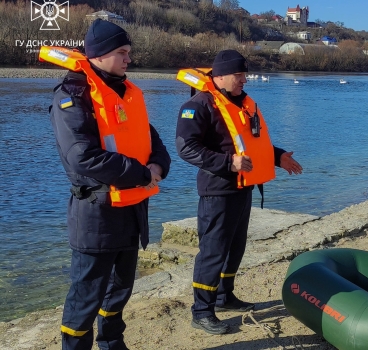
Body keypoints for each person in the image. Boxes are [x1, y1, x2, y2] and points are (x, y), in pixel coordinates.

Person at [43, 19, 171, 349]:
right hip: (96, 213)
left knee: (119, 290)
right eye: (122, 52)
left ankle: (113, 344)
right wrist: (143, 173)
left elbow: (151, 137)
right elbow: (81, 158)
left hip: (132, 211)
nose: (129, 59)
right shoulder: (72, 96)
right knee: (85, 298)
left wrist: (158, 164)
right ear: (99, 55)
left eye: (129, 52)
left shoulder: (126, 93)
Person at [175, 50, 303, 335]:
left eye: (245, 74)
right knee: (213, 252)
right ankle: (202, 311)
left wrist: (277, 156)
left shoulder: (242, 104)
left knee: (235, 249)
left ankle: (224, 297)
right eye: (239, 75)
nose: (245, 80)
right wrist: (227, 163)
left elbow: (252, 144)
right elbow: (186, 147)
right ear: (220, 76)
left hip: (243, 188)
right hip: (217, 191)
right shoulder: (198, 105)